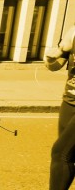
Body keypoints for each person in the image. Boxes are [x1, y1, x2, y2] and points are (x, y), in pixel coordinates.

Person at [44, 23, 75, 189]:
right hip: (69, 101)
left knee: (61, 153)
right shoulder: (73, 31)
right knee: (69, 155)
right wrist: (50, 59)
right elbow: (55, 65)